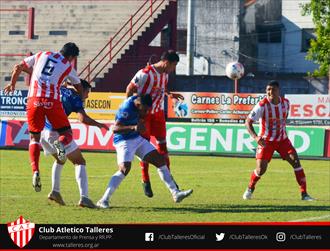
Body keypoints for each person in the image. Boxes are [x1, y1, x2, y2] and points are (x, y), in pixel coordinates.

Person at [3, 43, 81, 192]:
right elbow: (79, 86)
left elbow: (18, 67)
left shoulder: (41, 54)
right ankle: (59, 143)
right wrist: (76, 90)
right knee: (66, 134)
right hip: (52, 101)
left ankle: (35, 171)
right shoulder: (68, 66)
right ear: (71, 57)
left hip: (33, 100)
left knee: (34, 139)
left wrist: (12, 84)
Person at [96, 94, 193, 209]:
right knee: (124, 169)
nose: (147, 112)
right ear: (139, 104)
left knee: (160, 160)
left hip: (137, 139)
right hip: (124, 141)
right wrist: (134, 128)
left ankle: (175, 193)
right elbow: (115, 129)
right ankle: (103, 200)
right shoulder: (126, 109)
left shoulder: (137, 101)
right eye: (145, 109)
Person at [40, 79, 109, 208]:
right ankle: (84, 198)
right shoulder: (75, 97)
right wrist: (99, 124)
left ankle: (55, 192)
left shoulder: (60, 89)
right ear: (81, 89)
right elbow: (83, 119)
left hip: (42, 132)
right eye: (87, 92)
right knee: (79, 161)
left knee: (61, 160)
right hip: (57, 133)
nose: (87, 95)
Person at [242, 80, 314, 201]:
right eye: (268, 90)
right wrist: (256, 137)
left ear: (278, 91)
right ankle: (250, 188)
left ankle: (304, 194)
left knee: (296, 163)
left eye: (273, 89)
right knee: (261, 169)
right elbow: (248, 122)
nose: (270, 92)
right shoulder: (262, 105)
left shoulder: (286, 103)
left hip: (282, 141)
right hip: (266, 141)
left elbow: (284, 119)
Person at [126, 50, 183, 198]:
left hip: (158, 114)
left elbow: (161, 89)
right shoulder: (145, 73)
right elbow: (129, 88)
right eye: (173, 65)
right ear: (166, 62)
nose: (173, 69)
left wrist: (170, 94)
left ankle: (170, 181)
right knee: (145, 149)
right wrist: (131, 110)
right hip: (144, 116)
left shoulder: (165, 74)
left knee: (163, 149)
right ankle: (145, 179)